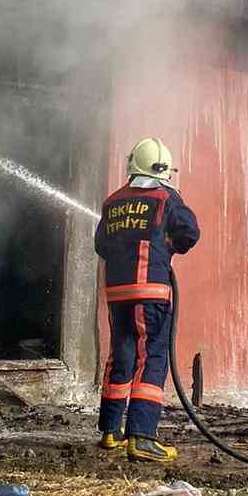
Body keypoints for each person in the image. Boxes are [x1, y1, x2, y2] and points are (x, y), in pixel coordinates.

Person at [95, 136, 200, 462]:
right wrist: (170, 243)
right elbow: (189, 232)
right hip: (151, 293)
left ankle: (111, 430)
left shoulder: (113, 201)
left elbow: (101, 245)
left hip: (118, 295)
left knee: (122, 355)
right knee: (152, 358)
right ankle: (141, 437)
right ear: (165, 170)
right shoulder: (166, 197)